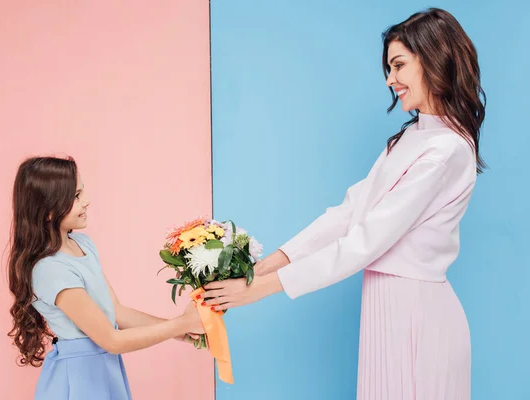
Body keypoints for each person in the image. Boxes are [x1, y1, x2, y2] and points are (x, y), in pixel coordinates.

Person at [200, 8, 485, 399]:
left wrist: (259, 289)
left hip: (418, 315)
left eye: (399, 65)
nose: (391, 80)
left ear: (435, 58)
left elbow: (365, 242)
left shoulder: (446, 150)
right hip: (387, 308)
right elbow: (351, 211)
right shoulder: (409, 139)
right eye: (389, 67)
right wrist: (275, 260)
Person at [7, 156, 204, 400]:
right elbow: (111, 339)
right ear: (48, 210)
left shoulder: (82, 244)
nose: (86, 201)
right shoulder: (50, 269)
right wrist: (180, 324)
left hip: (103, 370)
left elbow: (117, 313)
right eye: (76, 196)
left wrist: (177, 329)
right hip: (78, 379)